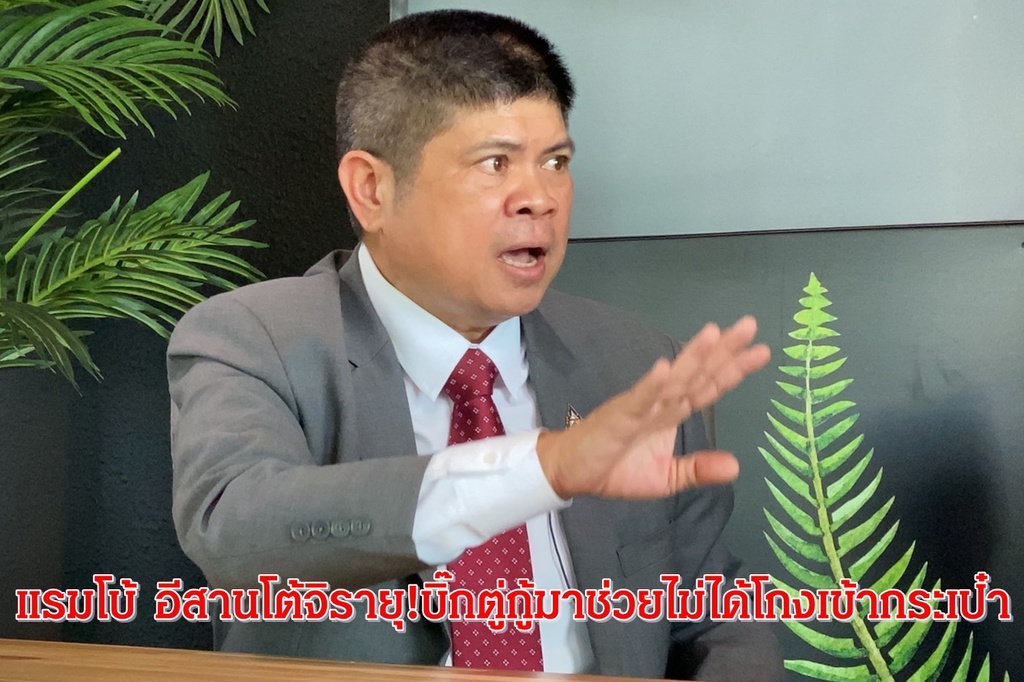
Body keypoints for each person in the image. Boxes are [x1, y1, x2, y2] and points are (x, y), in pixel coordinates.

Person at [167, 9, 784, 681]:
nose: (539, 199)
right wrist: (543, 468)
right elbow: (235, 527)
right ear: (372, 189)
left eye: (555, 162)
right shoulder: (255, 340)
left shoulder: (636, 364)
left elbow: (713, 616)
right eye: (495, 163)